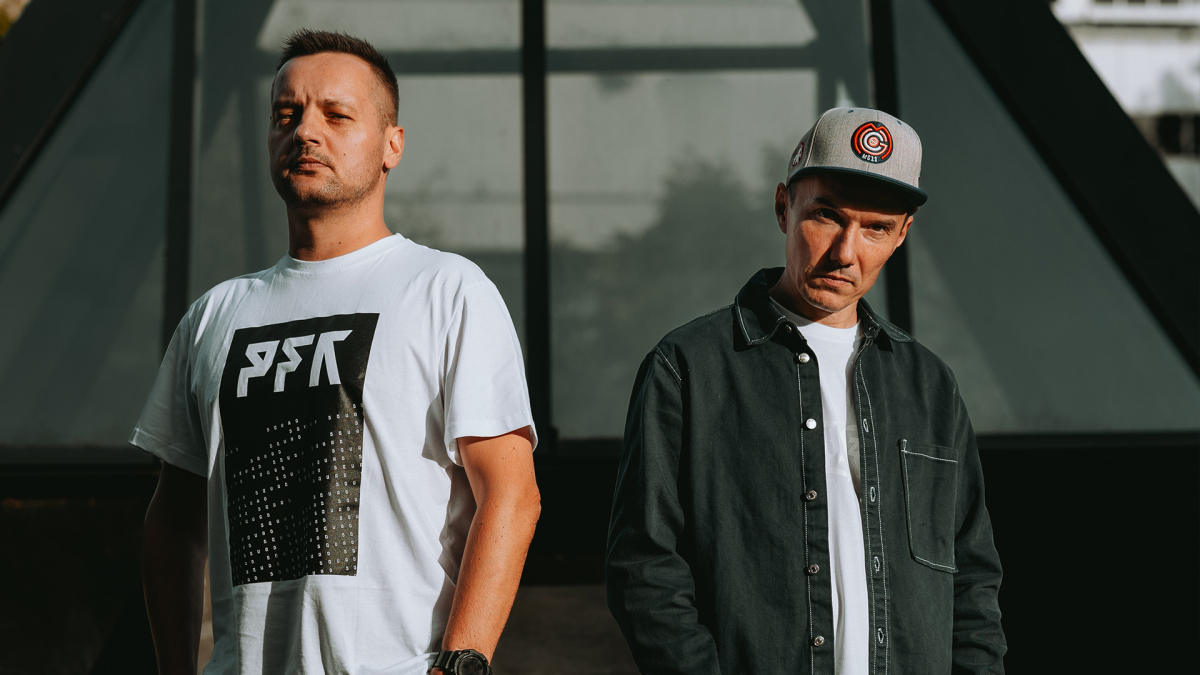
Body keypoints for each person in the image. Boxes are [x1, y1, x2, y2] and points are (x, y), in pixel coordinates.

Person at [135, 30, 539, 675]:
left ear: (391, 145)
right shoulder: (213, 315)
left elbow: (511, 495)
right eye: (286, 114)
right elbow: (174, 520)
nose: (305, 131)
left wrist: (459, 666)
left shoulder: (446, 290)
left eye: (336, 114)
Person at [606, 107, 1005, 674]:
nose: (846, 252)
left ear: (902, 235)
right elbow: (644, 568)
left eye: (876, 228)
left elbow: (972, 578)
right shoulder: (689, 368)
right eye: (826, 216)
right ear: (782, 208)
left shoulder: (929, 385)